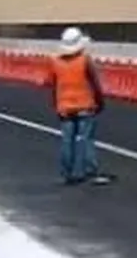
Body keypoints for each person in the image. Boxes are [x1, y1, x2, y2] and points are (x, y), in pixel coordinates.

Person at [43, 26, 113, 186]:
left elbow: (51, 84)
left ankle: (66, 173)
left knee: (67, 140)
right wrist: (100, 101)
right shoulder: (84, 60)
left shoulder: (54, 61)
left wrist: (55, 103)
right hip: (85, 105)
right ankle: (90, 172)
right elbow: (94, 83)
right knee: (85, 139)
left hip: (65, 107)